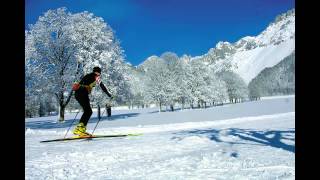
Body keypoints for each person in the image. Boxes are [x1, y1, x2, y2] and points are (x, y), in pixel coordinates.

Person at [72, 67, 113, 136]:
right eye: (99, 73)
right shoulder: (95, 77)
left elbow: (81, 83)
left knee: (87, 111)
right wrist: (109, 94)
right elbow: (102, 85)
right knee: (88, 111)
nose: (99, 75)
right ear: (98, 72)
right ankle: (80, 129)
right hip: (82, 93)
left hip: (77, 94)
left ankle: (79, 129)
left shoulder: (87, 75)